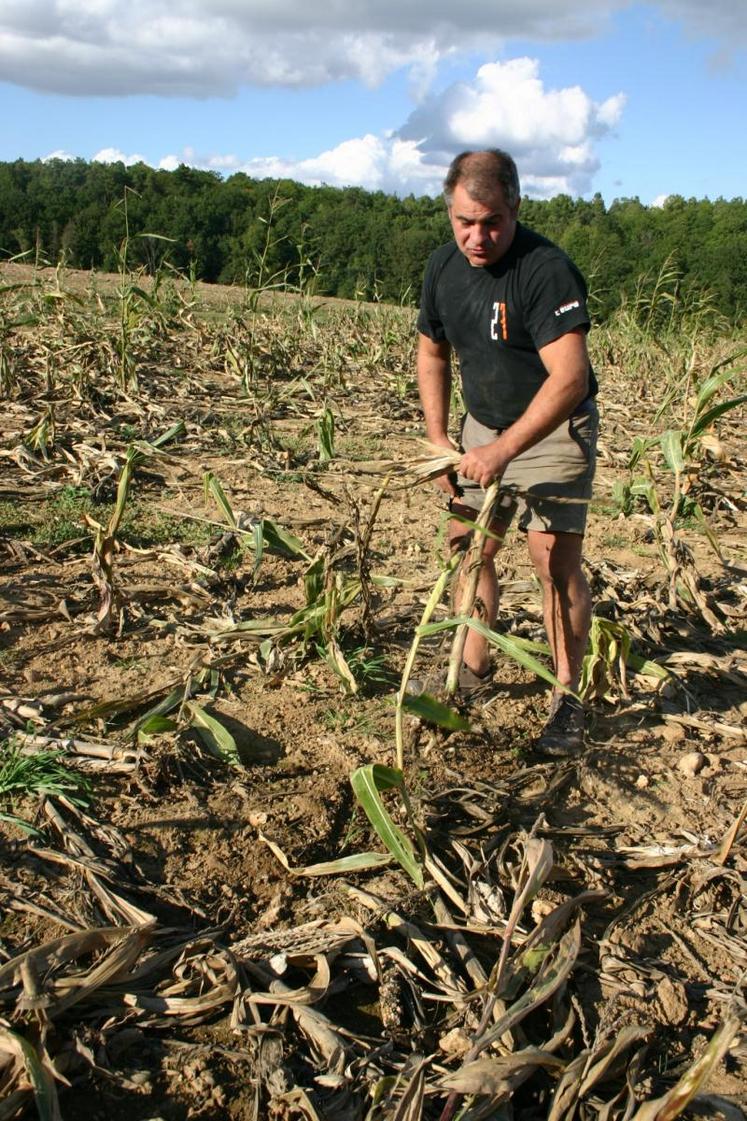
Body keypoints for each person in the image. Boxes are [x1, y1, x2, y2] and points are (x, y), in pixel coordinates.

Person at [416, 148, 599, 756]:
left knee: (551, 563)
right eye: (464, 221)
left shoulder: (545, 270)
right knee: (469, 547)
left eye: (490, 221)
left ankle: (567, 695)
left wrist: (504, 451)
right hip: (481, 426)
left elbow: (570, 378)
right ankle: (471, 670)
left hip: (549, 429)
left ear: (515, 206)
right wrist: (440, 439)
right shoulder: (443, 268)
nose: (477, 236)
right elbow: (432, 353)